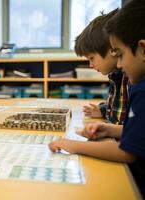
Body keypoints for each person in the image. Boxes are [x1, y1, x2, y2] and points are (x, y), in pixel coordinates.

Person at [49, 0, 145, 197]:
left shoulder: (140, 88)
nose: (119, 65)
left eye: (120, 54)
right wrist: (110, 128)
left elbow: (127, 152)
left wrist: (73, 145)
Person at [75, 9, 129, 125]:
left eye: (91, 58)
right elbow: (118, 107)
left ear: (112, 49)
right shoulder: (115, 74)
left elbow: (133, 127)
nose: (90, 65)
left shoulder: (132, 76)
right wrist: (103, 110)